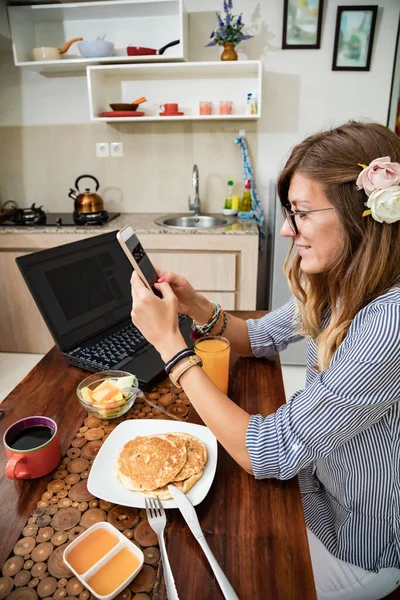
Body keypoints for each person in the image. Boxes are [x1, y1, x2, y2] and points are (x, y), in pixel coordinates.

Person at [130, 121, 400, 600]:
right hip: (317, 485)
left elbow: (267, 452)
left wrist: (171, 347)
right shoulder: (349, 283)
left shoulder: (387, 324)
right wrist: (194, 306)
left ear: (359, 215)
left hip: (360, 542)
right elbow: (257, 337)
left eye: (300, 213)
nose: (289, 231)